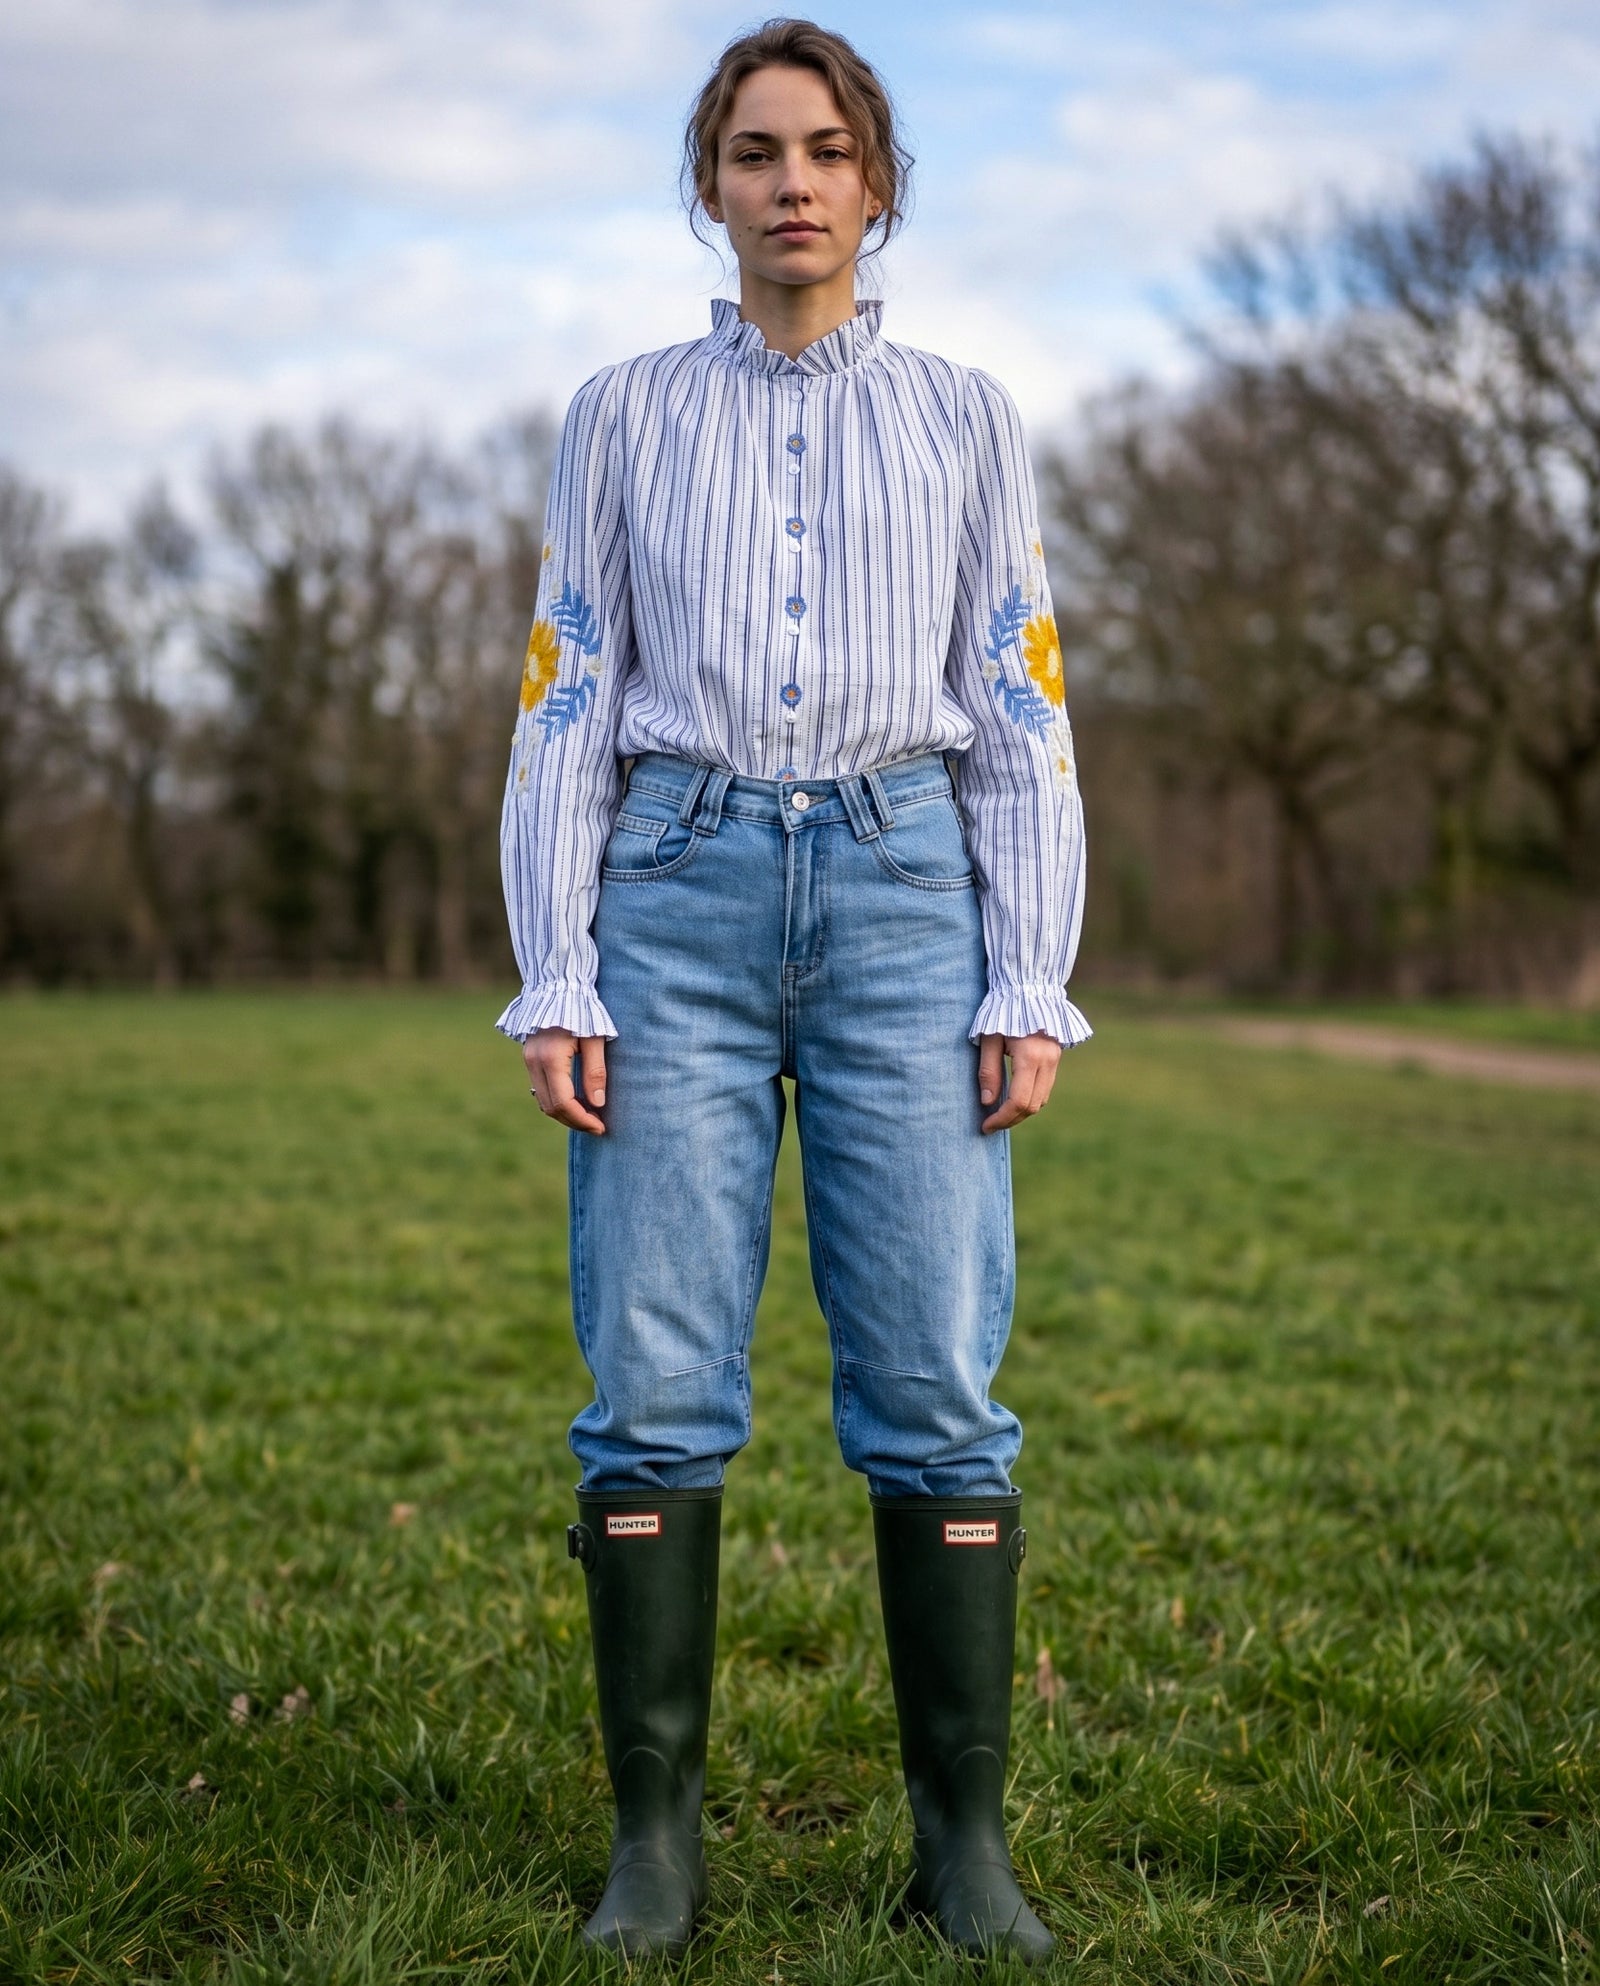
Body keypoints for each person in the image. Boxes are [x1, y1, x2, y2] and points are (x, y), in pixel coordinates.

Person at [495, 16, 1089, 1965]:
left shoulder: (969, 419)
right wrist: (557, 965)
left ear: (878, 181)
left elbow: (1014, 705)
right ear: (707, 186)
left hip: (910, 891)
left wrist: (1025, 969)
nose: (791, 183)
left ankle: (964, 1846)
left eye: (825, 150)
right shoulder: (616, 415)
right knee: (655, 1377)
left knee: (930, 1375)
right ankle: (653, 1845)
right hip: (669, 893)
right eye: (752, 152)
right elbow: (569, 690)